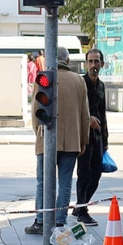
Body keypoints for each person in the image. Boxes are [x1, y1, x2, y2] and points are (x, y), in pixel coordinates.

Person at [28, 56, 90, 234]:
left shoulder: (44, 77)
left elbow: (35, 110)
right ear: (68, 60)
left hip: (46, 138)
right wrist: (83, 139)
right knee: (65, 183)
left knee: (43, 182)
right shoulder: (79, 80)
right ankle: (60, 221)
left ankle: (41, 221)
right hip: (71, 141)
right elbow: (85, 113)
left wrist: (38, 133)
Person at [73, 48, 109, 226]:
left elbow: (103, 114)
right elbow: (74, 110)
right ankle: (82, 211)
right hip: (83, 137)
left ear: (102, 64)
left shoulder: (101, 86)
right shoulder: (81, 83)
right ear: (86, 64)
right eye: (90, 61)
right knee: (84, 175)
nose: (93, 65)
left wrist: (106, 140)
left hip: (98, 138)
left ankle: (80, 206)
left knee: (96, 175)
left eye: (97, 62)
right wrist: (88, 120)